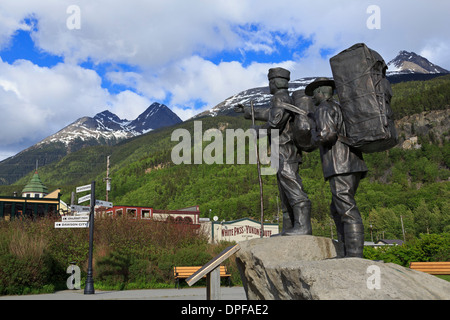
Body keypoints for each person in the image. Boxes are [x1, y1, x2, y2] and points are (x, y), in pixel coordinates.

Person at [235, 67, 312, 236]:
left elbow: (275, 122)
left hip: (286, 149)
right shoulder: (281, 99)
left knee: (292, 186)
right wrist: (248, 112)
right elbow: (271, 114)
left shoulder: (280, 98)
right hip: (282, 150)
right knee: (284, 190)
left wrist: (259, 130)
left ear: (276, 82)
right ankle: (289, 227)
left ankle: (303, 226)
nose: (269, 85)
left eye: (270, 82)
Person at [305, 77, 368, 257]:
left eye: (314, 94)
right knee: (337, 207)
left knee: (346, 208)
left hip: (340, 164)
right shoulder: (340, 108)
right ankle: (345, 250)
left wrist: (313, 133)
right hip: (353, 162)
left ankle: (354, 255)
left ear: (320, 93)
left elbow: (327, 135)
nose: (312, 99)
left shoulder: (323, 108)